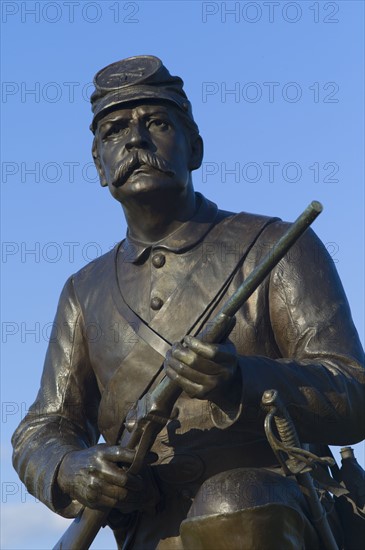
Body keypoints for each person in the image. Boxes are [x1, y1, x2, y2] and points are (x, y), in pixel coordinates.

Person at [12, 55, 364, 549]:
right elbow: (43, 427)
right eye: (114, 131)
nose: (134, 140)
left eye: (156, 123)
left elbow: (353, 391)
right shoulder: (83, 290)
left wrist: (242, 380)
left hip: (278, 515)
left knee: (231, 499)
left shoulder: (279, 246)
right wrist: (70, 467)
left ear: (194, 148)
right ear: (98, 165)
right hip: (151, 527)